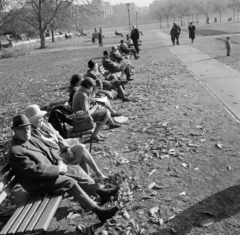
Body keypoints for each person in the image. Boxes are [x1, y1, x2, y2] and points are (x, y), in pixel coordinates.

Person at [8, 114, 119, 223]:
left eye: (27, 128)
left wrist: (60, 161)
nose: (26, 131)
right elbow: (34, 170)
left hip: (48, 172)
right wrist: (58, 170)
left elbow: (49, 150)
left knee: (75, 169)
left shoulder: (30, 139)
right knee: (69, 182)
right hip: (37, 183)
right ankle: (100, 212)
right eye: (22, 129)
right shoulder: (16, 151)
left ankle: (100, 192)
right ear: (15, 131)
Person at [23, 104, 108, 181]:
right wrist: (59, 158)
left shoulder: (46, 125)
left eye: (41, 117)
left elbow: (59, 137)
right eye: (38, 118)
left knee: (81, 148)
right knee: (80, 151)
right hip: (55, 160)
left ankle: (94, 176)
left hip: (62, 151)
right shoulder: (31, 135)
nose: (41, 119)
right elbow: (45, 152)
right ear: (32, 121)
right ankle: (90, 179)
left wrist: (67, 148)